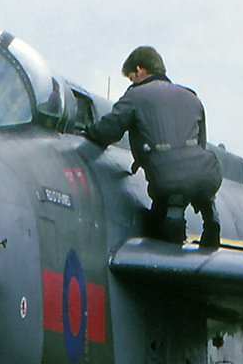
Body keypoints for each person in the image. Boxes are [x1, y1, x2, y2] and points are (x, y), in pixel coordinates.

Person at [85, 46, 222, 247]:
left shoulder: (136, 95)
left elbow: (110, 130)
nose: (132, 83)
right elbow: (200, 143)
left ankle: (173, 240)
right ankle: (211, 218)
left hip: (168, 179)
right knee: (188, 185)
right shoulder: (192, 97)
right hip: (206, 177)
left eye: (131, 77)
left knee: (160, 226)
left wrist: (89, 134)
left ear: (140, 70)